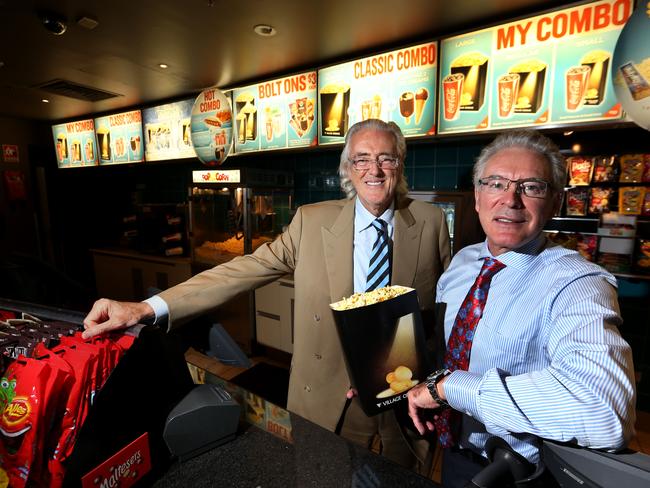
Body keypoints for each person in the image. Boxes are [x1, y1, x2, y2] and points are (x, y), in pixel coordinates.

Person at [83, 118, 451, 472]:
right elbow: (241, 270)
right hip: (329, 398)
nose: (375, 169)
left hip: (405, 399)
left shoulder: (430, 222)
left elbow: (443, 313)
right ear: (349, 168)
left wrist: (439, 384)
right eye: (362, 159)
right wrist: (146, 308)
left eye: (386, 158)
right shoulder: (312, 221)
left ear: (400, 165)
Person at [407, 129, 636, 487]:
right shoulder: (462, 264)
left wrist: (453, 388)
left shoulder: (577, 283)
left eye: (531, 187)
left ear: (555, 202)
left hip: (521, 474)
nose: (510, 199)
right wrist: (384, 379)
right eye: (496, 183)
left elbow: (604, 412)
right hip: (453, 455)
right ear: (478, 196)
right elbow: (446, 351)